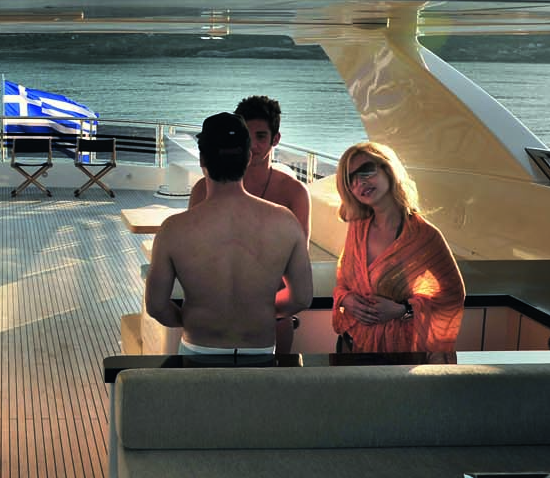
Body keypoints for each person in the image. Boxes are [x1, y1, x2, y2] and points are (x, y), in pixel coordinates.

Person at [147, 111, 313, 358]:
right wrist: (265, 311)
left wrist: (188, 319)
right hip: (260, 349)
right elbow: (301, 298)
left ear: (202, 158)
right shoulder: (285, 222)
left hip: (198, 346)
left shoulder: (173, 229)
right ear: (248, 157)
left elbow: (156, 306)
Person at [188, 96, 311, 351]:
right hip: (215, 316)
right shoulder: (203, 189)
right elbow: (195, 256)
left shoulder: (294, 192)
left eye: (261, 136)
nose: (253, 145)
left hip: (273, 315)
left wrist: (266, 310)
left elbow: (298, 261)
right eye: (248, 136)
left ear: (276, 139)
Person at [331, 141, 465, 357]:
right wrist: (346, 299)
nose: (360, 182)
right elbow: (344, 282)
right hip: (352, 345)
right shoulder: (357, 229)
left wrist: (403, 310)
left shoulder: (423, 236)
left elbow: (451, 294)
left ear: (388, 169)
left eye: (366, 170)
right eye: (350, 179)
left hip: (399, 353)